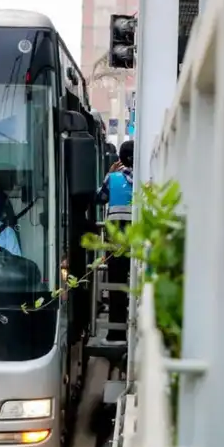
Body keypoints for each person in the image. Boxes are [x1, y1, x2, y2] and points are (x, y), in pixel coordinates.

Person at [97, 139, 134, 342]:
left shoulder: (113, 178)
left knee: (116, 284)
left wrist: (109, 173)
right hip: (136, 236)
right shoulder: (144, 180)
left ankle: (116, 333)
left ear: (119, 159)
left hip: (115, 238)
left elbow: (99, 198)